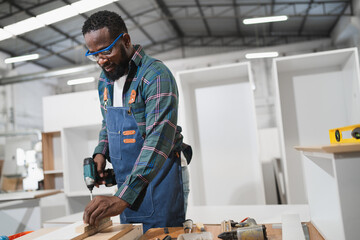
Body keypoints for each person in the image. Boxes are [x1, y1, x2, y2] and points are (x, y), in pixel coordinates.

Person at [81, 10, 192, 232]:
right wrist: (101, 152)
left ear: (126, 40)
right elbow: (108, 124)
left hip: (161, 181)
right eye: (95, 55)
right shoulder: (106, 81)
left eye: (107, 51)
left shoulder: (155, 76)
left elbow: (159, 139)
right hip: (128, 184)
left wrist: (121, 198)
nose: (102, 61)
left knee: (162, 236)